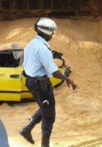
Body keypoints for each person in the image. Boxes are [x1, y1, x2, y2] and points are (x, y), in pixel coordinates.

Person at [19, 17, 77, 147]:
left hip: (30, 81)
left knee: (44, 108)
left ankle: (27, 129)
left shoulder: (31, 44)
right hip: (41, 84)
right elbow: (54, 72)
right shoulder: (43, 49)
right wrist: (68, 79)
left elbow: (24, 62)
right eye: (52, 32)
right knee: (49, 116)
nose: (53, 35)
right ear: (47, 32)